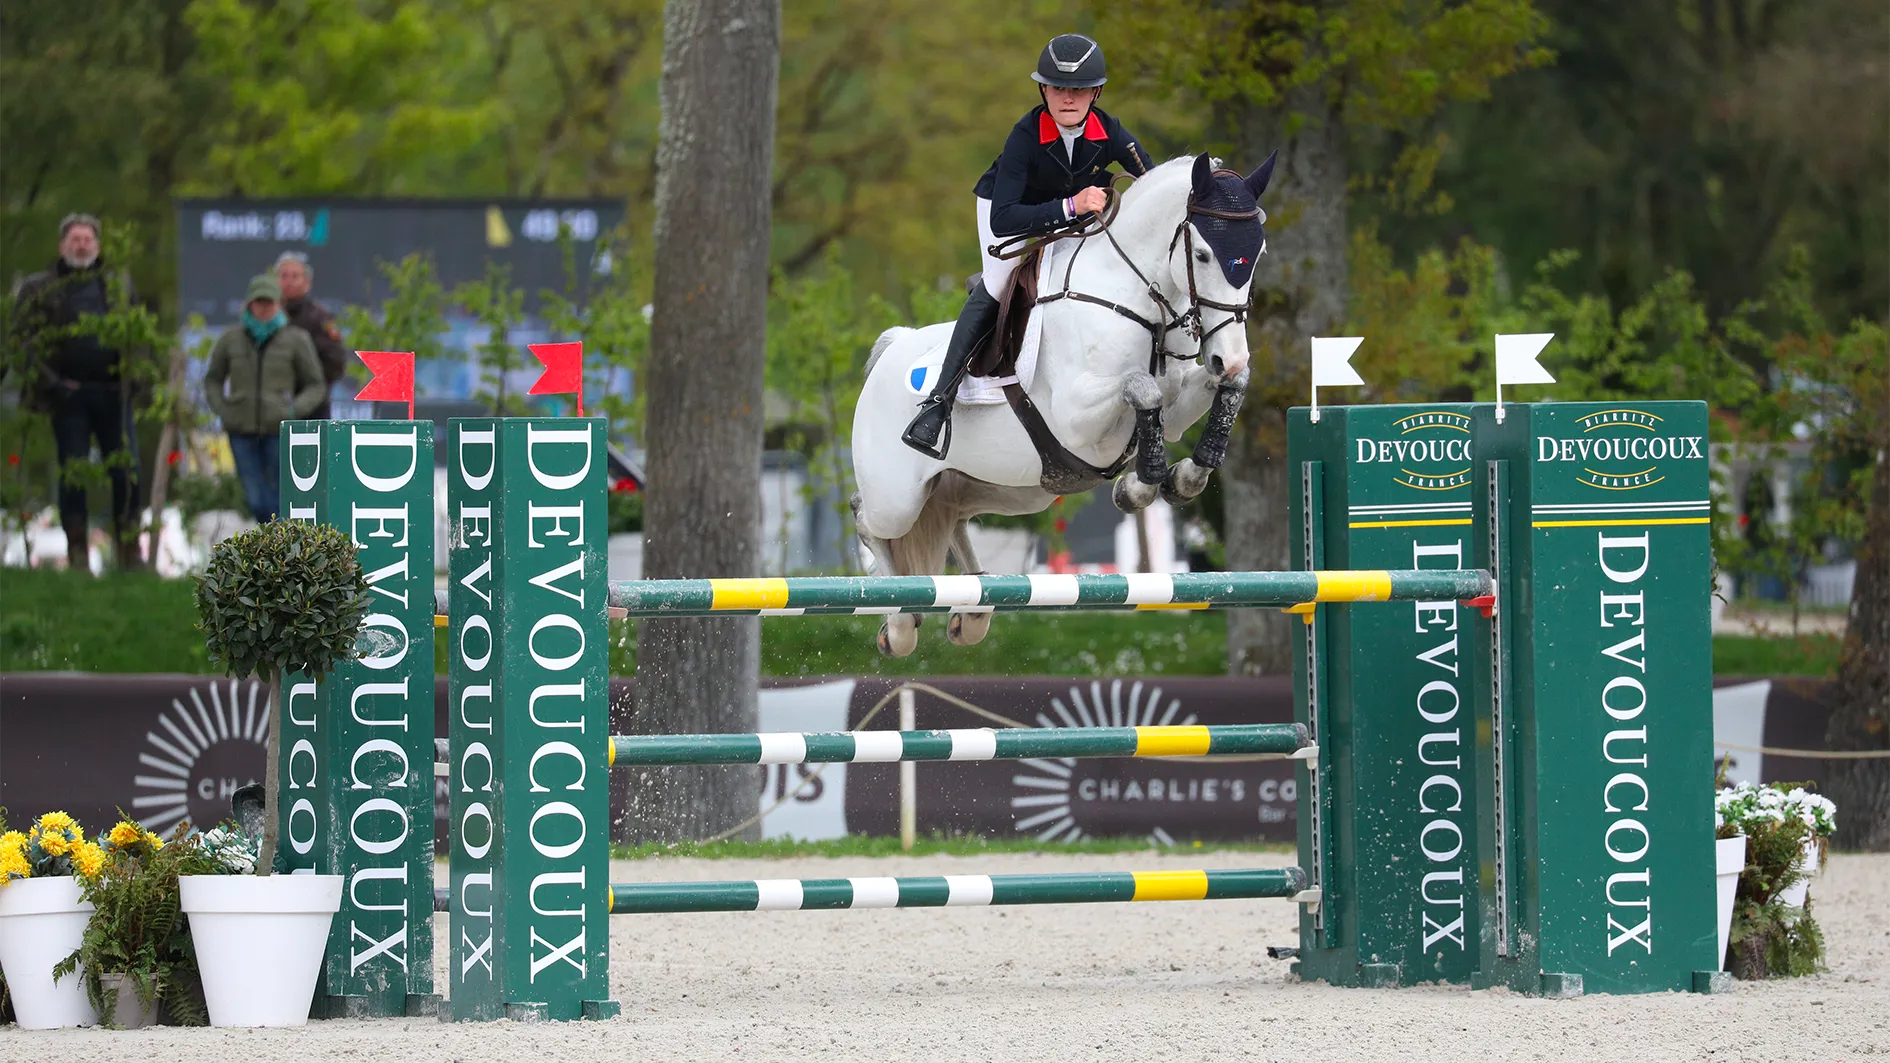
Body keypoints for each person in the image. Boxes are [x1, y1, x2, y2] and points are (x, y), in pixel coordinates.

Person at [902, 33, 1155, 459]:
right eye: (1058, 88)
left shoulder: (1108, 131)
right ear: (1044, 90)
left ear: (1095, 92)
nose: (1068, 99)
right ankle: (937, 404)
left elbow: (1151, 180)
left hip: (1064, 212)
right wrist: (1072, 204)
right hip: (1007, 210)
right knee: (1000, 282)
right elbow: (1005, 217)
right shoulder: (1024, 135)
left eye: (1078, 90)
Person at [10, 213, 144, 571]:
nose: (81, 245)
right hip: (66, 396)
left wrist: (136, 377)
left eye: (87, 239)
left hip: (114, 394)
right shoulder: (41, 288)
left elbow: (138, 338)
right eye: (75, 239)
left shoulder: (117, 285)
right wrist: (52, 383)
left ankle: (130, 554)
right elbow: (21, 344)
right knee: (73, 473)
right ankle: (78, 554)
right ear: (62, 246)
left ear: (98, 246)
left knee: (127, 472)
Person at [202, 274, 325, 522]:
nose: (264, 307)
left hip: (278, 430)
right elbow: (213, 379)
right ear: (250, 304)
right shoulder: (230, 339)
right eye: (259, 302)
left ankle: (278, 551)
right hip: (240, 430)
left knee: (278, 496)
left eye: (269, 302)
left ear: (278, 304)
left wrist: (293, 411)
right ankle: (272, 545)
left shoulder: (295, 339)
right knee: (255, 498)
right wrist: (223, 410)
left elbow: (316, 384)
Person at [274, 250, 348, 418]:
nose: (288, 282)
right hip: (272, 409)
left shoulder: (319, 319)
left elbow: (336, 364)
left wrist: (310, 388)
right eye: (284, 276)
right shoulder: (265, 316)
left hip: (313, 409)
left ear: (307, 283)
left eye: (294, 276)